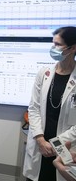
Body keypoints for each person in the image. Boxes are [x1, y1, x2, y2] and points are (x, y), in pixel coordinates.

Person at [23, 26, 76, 181]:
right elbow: (33, 108)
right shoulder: (44, 73)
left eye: (58, 45)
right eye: (53, 44)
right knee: (36, 177)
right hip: (41, 145)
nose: (53, 48)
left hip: (65, 147)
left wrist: (55, 145)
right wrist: (40, 140)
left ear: (72, 48)